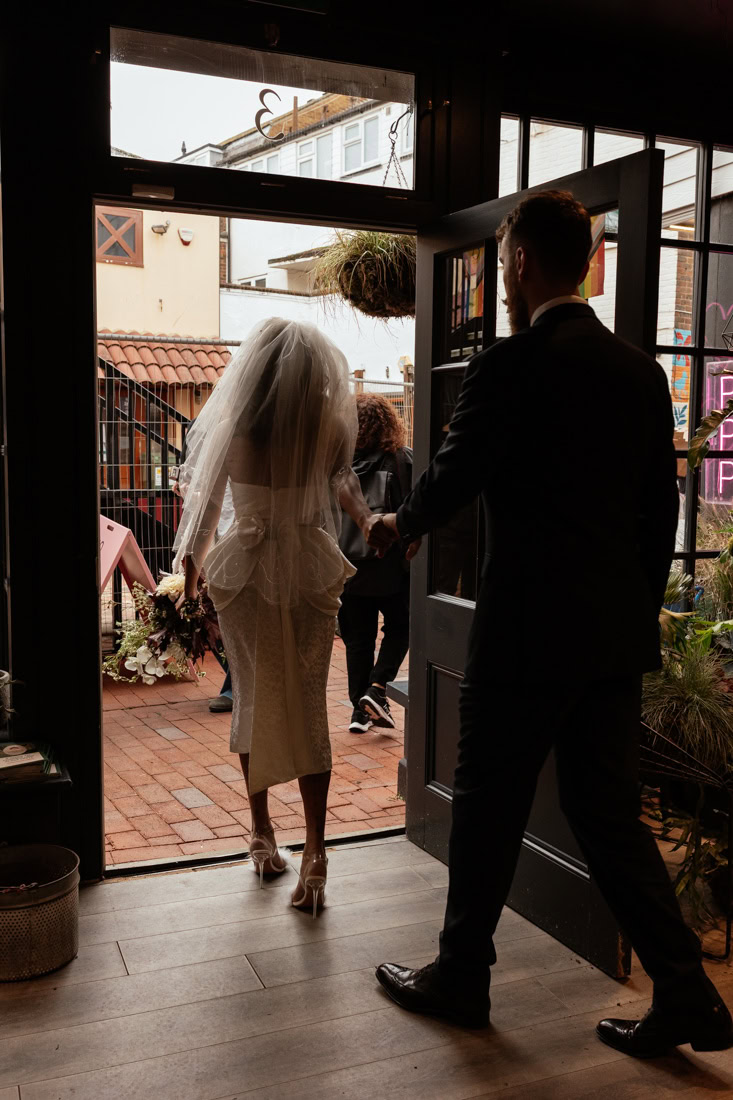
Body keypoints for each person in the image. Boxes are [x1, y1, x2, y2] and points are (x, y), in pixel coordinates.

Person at [371, 191, 733, 1056]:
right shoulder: (640, 374)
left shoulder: (512, 363)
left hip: (526, 631)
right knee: (606, 815)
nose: (501, 284)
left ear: (523, 262)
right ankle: (685, 994)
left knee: (487, 802)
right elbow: (660, 514)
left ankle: (462, 975)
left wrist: (400, 525)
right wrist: (630, 609)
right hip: (608, 635)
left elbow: (457, 473)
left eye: (502, 264)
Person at [172, 318, 392, 916]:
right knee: (308, 704)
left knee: (253, 698)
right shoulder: (321, 427)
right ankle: (317, 853)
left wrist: (190, 576)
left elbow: (208, 503)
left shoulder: (235, 425)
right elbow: (344, 482)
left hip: (243, 572)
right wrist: (370, 522)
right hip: (306, 572)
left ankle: (262, 834)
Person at [338, 394, 413, 733]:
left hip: (349, 566)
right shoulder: (402, 461)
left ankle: (359, 711)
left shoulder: (338, 466)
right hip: (391, 564)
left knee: (358, 638)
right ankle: (377, 688)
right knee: (401, 627)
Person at [172, 438, 234, 712]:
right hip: (214, 542)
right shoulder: (210, 456)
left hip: (233, 542)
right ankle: (237, 684)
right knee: (210, 617)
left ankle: (236, 687)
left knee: (221, 616)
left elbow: (215, 508)